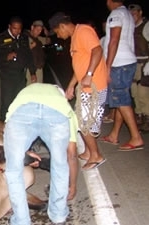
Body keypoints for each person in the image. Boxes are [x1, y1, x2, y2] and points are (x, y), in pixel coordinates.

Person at [3, 83, 79, 225]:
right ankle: (58, 215)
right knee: (60, 164)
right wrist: (73, 186)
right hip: (56, 114)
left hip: (22, 112)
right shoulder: (64, 105)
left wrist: (23, 150)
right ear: (61, 94)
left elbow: (8, 133)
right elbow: (72, 155)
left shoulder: (27, 91)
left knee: (14, 169)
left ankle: (21, 221)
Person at [49, 12, 107, 170]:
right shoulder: (75, 37)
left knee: (84, 122)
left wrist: (89, 75)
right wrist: (71, 85)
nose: (59, 36)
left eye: (58, 32)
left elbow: (97, 51)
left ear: (62, 26)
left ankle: (96, 155)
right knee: (82, 119)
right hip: (85, 85)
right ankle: (89, 151)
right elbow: (79, 65)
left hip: (94, 85)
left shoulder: (84, 31)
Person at [100, 0, 144, 151]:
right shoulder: (127, 14)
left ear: (109, 2)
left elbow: (114, 39)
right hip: (128, 61)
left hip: (119, 63)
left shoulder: (116, 14)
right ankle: (114, 134)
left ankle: (136, 137)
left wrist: (107, 66)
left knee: (122, 100)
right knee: (121, 99)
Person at [0, 16, 37, 121]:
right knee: (6, 103)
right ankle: (3, 125)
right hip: (7, 76)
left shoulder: (24, 38)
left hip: (20, 75)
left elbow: (28, 55)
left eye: (19, 28)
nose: (17, 31)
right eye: (15, 28)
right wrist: (6, 57)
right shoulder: (0, 38)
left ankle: (16, 124)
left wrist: (33, 72)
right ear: (9, 27)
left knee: (19, 101)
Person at [128, 4, 149, 132]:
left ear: (140, 12)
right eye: (130, 14)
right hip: (134, 63)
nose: (132, 16)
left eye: (134, 13)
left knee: (143, 93)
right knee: (134, 92)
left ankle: (147, 117)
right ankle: (139, 116)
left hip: (145, 63)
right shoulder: (130, 28)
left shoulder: (146, 25)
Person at [24, 20, 51, 86]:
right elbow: (22, 53)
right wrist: (30, 47)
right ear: (32, 27)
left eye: (40, 30)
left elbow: (48, 42)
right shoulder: (25, 37)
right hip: (29, 69)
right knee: (30, 89)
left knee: (39, 89)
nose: (39, 32)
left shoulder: (38, 39)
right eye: (37, 29)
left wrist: (47, 35)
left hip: (39, 67)